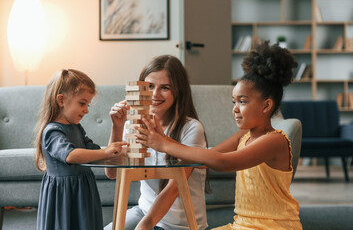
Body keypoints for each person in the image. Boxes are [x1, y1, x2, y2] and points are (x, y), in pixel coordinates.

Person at [137, 42, 303, 229]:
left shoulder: (275, 140)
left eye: (242, 101)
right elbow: (205, 158)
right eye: (234, 102)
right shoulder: (243, 137)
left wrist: (165, 144)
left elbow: (223, 162)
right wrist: (164, 140)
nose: (235, 109)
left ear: (266, 106)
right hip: (242, 225)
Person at [104, 55, 209, 230]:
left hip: (179, 224)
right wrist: (117, 127)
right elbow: (112, 173)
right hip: (144, 211)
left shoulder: (191, 128)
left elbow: (175, 186)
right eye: (150, 86)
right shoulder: (133, 124)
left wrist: (146, 224)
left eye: (165, 88)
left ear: (178, 92)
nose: (154, 94)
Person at [34, 69, 129, 230]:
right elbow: (70, 155)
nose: (86, 110)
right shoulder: (52, 131)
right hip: (63, 196)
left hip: (83, 191)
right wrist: (106, 152)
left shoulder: (76, 128)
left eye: (88, 104)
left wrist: (116, 149)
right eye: (82, 103)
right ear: (61, 100)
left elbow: (93, 152)